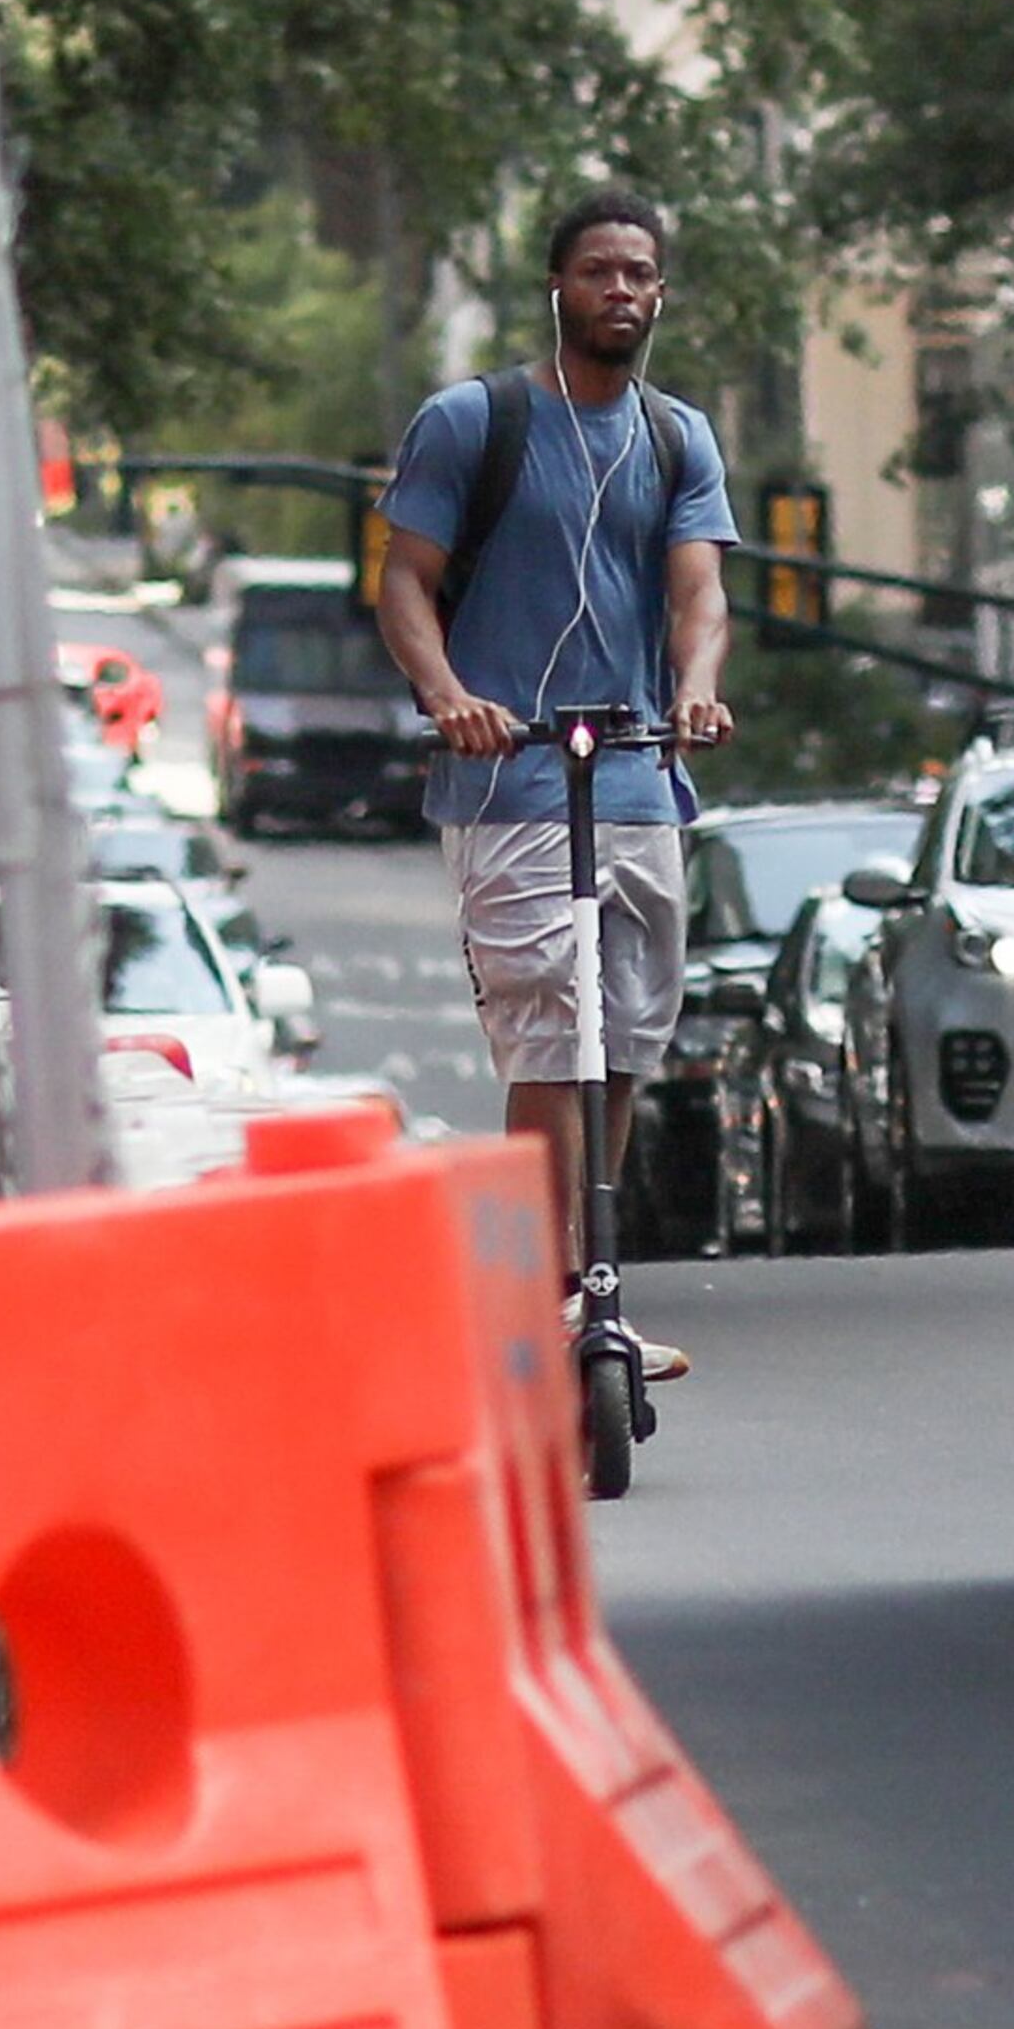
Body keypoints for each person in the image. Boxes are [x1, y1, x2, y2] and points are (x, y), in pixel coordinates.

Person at [373, 189, 736, 1378]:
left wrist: (694, 689)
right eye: (597, 272)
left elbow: (698, 594)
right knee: (548, 1038)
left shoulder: (677, 439)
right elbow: (404, 584)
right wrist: (448, 699)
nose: (620, 291)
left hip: (634, 781)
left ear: (659, 293)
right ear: (557, 288)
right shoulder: (475, 423)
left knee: (620, 1044)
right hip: (509, 784)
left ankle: (598, 1287)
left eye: (639, 274)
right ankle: (534, 1296)